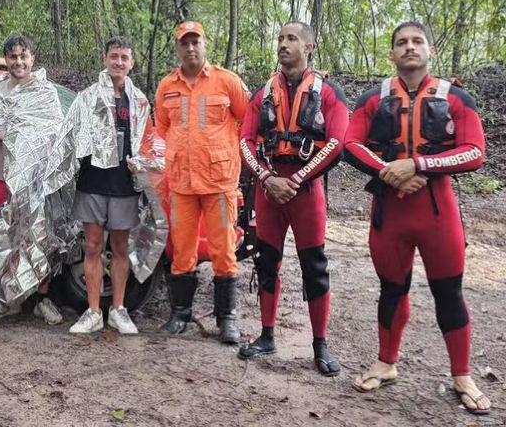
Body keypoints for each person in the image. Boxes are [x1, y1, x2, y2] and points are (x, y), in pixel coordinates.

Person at [344, 21, 490, 415]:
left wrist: (418, 163)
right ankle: (386, 363)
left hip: (438, 214)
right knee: (392, 290)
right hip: (389, 213)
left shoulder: (457, 97)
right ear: (391, 54)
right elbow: (350, 144)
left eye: (417, 41)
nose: (409, 48)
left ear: (431, 50)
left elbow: (474, 152)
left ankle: (462, 374)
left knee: (450, 293)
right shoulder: (372, 98)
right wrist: (390, 171)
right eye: (401, 43)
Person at [238, 21, 347, 376]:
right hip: (269, 190)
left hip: (306, 191)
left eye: (291, 39)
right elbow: (245, 140)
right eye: (280, 38)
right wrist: (267, 178)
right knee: (266, 262)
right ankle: (267, 335)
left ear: (309, 47)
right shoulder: (262, 93)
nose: (283, 44)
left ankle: (320, 344)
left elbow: (337, 142)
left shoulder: (329, 93)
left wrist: (297, 178)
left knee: (314, 268)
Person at [154, 21, 249, 344]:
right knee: (182, 250)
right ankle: (180, 314)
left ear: (204, 45)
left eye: (196, 42)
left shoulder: (227, 82)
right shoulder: (167, 86)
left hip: (219, 183)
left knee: (224, 251)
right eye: (184, 43)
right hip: (181, 183)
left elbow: (246, 123)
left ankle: (227, 320)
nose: (190, 48)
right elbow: (162, 129)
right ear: (177, 48)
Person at [67, 37, 154, 335]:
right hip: (92, 181)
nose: (118, 62)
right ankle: (92, 312)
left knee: (119, 248)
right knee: (91, 246)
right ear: (105, 59)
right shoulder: (87, 97)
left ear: (132, 63)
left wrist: (142, 164)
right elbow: (71, 135)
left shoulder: (140, 101)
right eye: (114, 56)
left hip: (123, 184)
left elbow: (147, 142)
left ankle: (118, 309)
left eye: (124, 57)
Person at [0, 35, 65, 325]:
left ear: (32, 58)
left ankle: (42, 299)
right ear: (6, 59)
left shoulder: (45, 92)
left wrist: (13, 131)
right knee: (2, 235)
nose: (18, 61)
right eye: (12, 56)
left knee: (37, 236)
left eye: (23, 56)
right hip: (1, 175)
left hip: (34, 177)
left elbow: (55, 133)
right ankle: (7, 300)